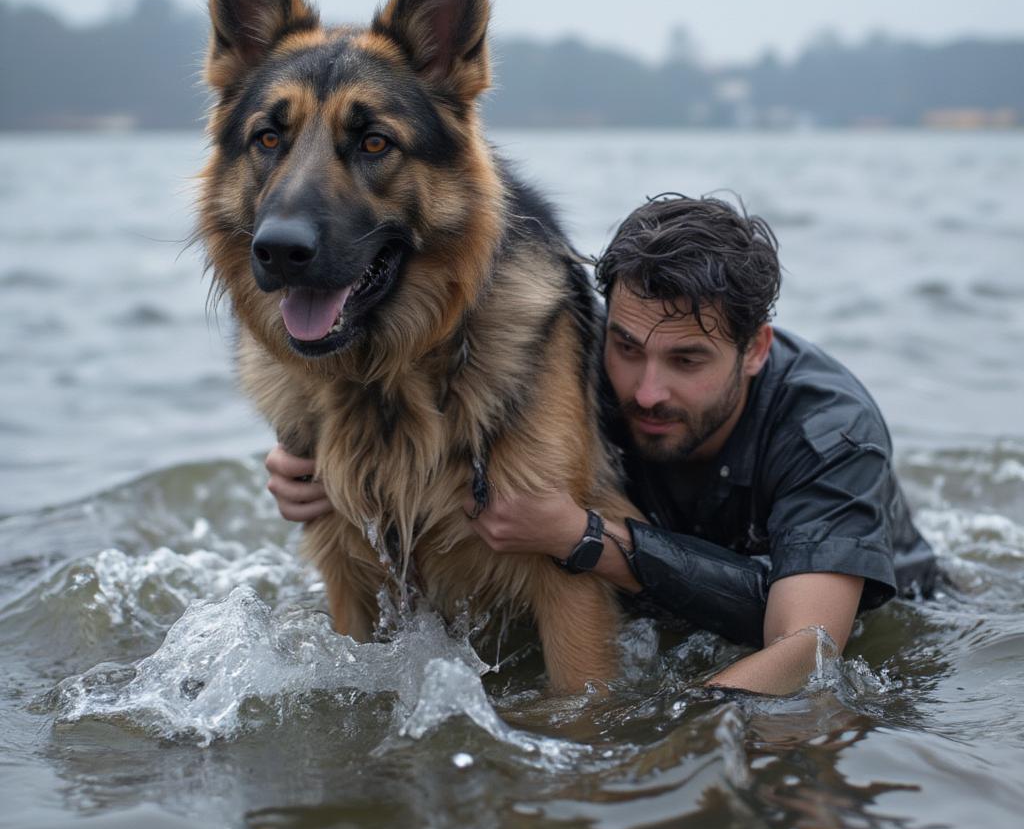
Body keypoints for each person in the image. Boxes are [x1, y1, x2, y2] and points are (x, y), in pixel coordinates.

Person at [266, 194, 936, 695]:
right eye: (627, 346)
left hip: (886, 613)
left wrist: (668, 745)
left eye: (688, 361)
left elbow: (805, 650)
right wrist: (319, 467)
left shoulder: (828, 432)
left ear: (755, 349)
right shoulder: (584, 366)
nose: (645, 392)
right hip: (667, 584)